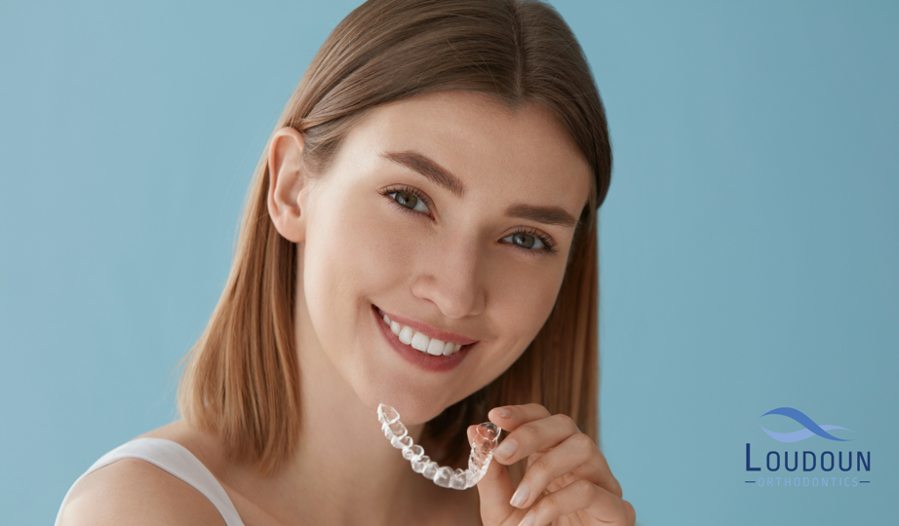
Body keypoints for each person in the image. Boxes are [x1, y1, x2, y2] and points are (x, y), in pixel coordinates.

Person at [56, 0, 635, 524]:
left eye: (526, 239)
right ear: (289, 188)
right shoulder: (141, 512)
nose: (458, 293)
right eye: (410, 200)